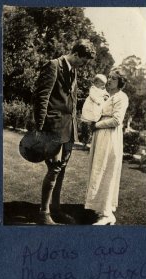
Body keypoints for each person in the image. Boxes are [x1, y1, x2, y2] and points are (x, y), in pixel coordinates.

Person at [32, 39, 96, 225]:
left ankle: (55, 209)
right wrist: (41, 130)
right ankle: (43, 214)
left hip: (68, 130)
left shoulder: (73, 71)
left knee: (61, 169)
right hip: (53, 129)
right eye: (83, 60)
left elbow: (72, 103)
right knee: (54, 169)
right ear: (76, 54)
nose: (84, 65)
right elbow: (41, 98)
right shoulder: (53, 65)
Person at [85, 68, 129, 225]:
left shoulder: (122, 97)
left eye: (114, 79)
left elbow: (117, 120)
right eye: (109, 77)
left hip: (110, 137)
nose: (109, 80)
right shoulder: (105, 95)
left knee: (107, 170)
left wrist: (97, 124)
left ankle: (107, 214)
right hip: (100, 136)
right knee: (98, 169)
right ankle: (99, 208)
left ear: (120, 82)